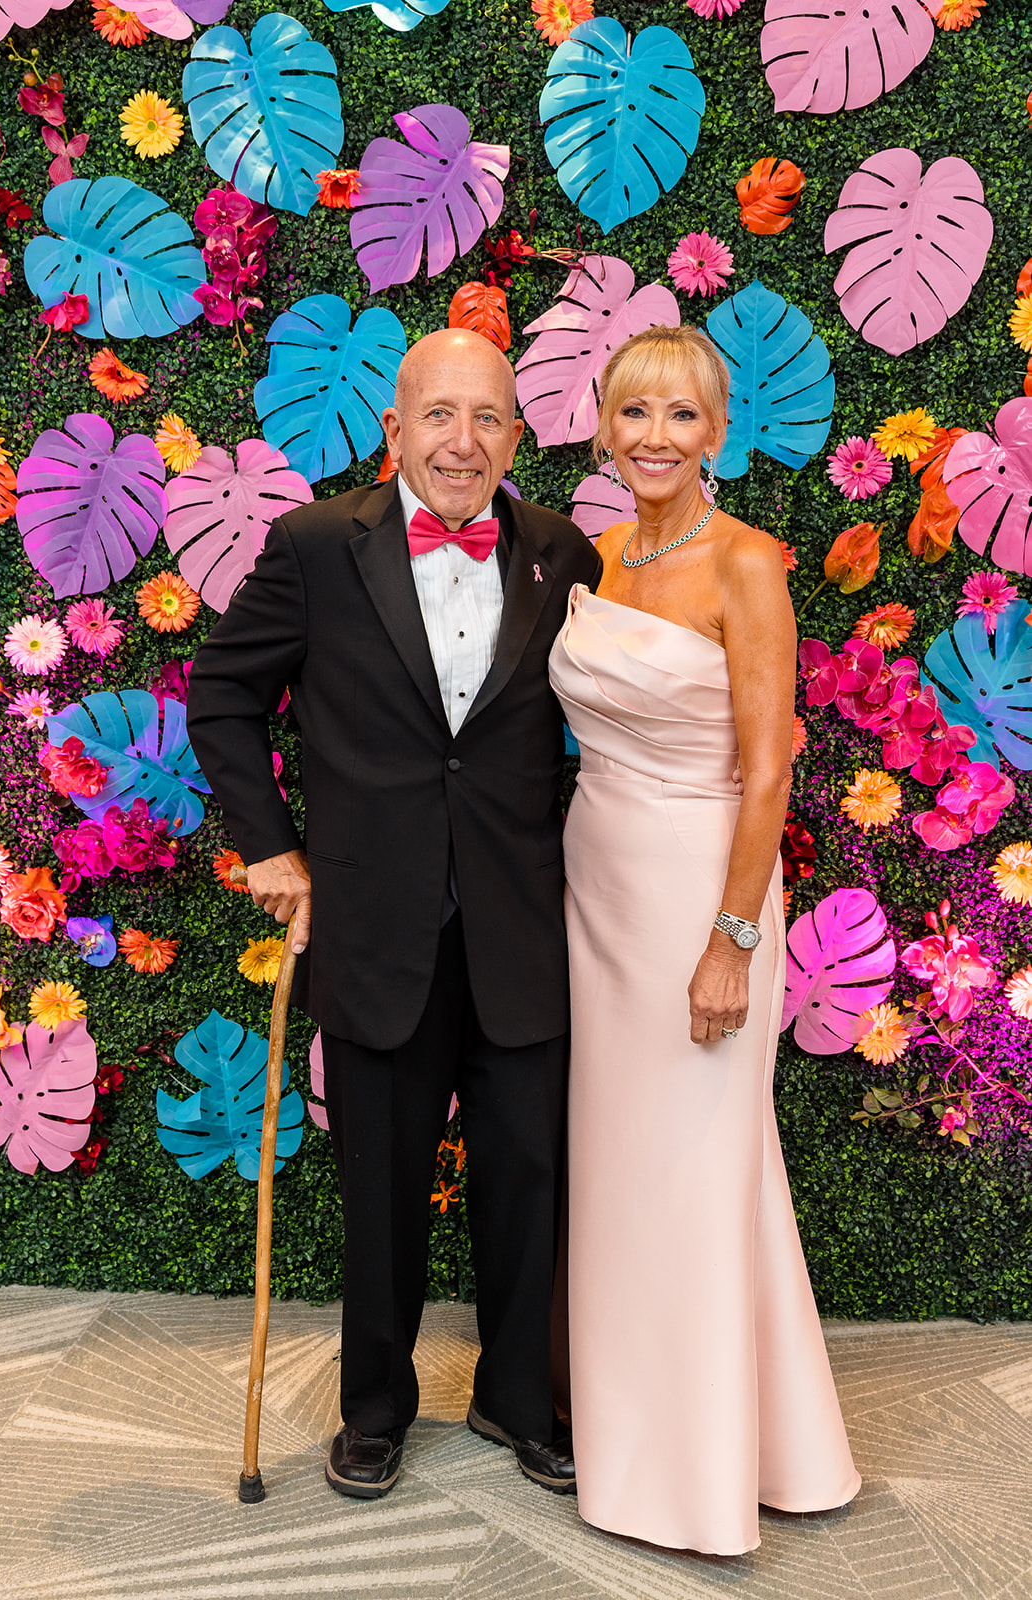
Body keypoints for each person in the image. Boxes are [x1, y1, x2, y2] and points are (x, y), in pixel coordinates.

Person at [187, 328, 602, 1502]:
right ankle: (372, 1408)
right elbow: (222, 693)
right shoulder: (316, 545)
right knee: (379, 1188)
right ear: (394, 428)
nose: (461, 441)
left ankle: (516, 1397)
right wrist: (269, 844)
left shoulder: (562, 553)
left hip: (522, 927)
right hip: (374, 929)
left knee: (528, 1179)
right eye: (438, 414)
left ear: (515, 435)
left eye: (487, 417)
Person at [548, 325, 861, 1555]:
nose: (654, 437)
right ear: (602, 429)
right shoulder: (596, 558)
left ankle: (698, 1471)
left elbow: (766, 774)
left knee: (692, 1165)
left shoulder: (745, 563)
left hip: (699, 897)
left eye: (680, 415)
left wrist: (730, 940)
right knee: (619, 1166)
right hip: (596, 893)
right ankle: (635, 1430)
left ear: (716, 432)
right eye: (633, 413)